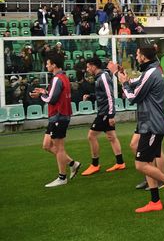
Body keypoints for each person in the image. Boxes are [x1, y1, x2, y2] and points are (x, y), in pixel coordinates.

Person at [108, 47, 164, 213]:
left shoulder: (151, 72)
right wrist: (123, 78)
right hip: (149, 123)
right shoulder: (151, 70)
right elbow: (135, 83)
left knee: (140, 164)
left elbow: (133, 97)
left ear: (143, 57)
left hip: (152, 125)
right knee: (147, 163)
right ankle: (155, 201)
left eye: (137, 54)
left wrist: (121, 81)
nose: (136, 56)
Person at [30, 52, 82, 187]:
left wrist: (41, 96)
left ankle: (62, 177)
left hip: (59, 116)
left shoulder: (58, 79)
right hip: (57, 116)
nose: (46, 66)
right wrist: (43, 92)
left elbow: (51, 99)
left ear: (53, 65)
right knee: (46, 145)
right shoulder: (62, 77)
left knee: (59, 148)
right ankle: (73, 164)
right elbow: (54, 95)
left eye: (47, 64)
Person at [80, 57, 125, 176]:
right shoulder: (100, 77)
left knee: (91, 136)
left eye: (88, 66)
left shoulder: (103, 77)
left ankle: (95, 165)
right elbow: (102, 95)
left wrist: (111, 115)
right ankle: (120, 162)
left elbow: (110, 96)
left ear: (94, 66)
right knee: (112, 137)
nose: (87, 69)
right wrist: (90, 96)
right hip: (104, 112)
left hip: (104, 113)